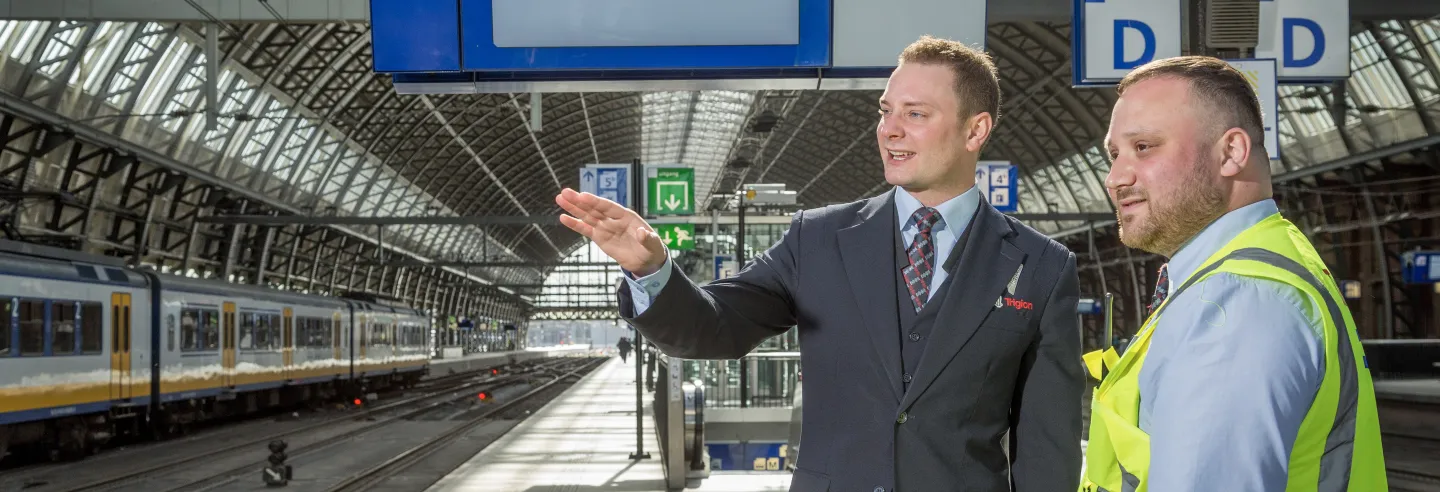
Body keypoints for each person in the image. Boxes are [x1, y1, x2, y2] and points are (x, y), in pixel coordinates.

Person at [557, 35, 1083, 492]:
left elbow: (1047, 450)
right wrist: (652, 270)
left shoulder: (1041, 265)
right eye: (885, 111)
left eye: (916, 114)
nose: (889, 130)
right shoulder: (820, 238)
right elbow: (713, 327)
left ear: (975, 131)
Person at [1079, 56, 1387, 491]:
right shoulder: (1271, 258)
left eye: (1144, 147)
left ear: (1231, 153)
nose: (1114, 178)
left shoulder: (1235, 303)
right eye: (1114, 154)